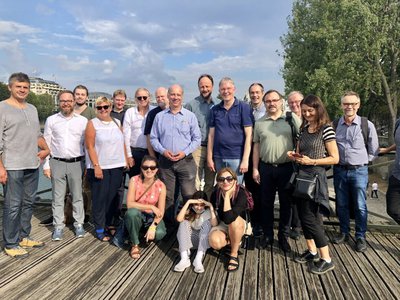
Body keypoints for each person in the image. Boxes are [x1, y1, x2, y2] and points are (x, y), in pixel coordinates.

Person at [287, 94, 339, 275]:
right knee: (303, 216)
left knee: (311, 218)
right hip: (301, 176)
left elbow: (335, 158)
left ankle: (327, 259)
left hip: (315, 178)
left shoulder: (326, 129)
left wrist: (313, 162)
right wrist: (295, 155)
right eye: (304, 111)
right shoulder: (303, 129)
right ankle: (312, 251)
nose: (307, 114)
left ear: (318, 109)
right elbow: (302, 153)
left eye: (310, 110)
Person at [0, 72, 50, 258]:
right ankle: (11, 243)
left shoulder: (32, 109)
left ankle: (23, 236)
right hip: (12, 165)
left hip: (32, 163)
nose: (22, 90)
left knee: (28, 203)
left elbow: (37, 135)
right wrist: (1, 168)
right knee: (13, 205)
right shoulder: (2, 108)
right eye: (18, 86)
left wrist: (47, 149)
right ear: (10, 87)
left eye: (25, 87)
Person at [252, 89, 301, 251]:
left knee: (286, 204)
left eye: (274, 100)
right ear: (265, 103)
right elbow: (256, 147)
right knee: (266, 203)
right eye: (268, 101)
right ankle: (268, 235)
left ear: (281, 101)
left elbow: (303, 137)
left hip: (287, 168)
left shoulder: (291, 118)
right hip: (266, 168)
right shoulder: (260, 123)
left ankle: (283, 237)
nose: (271, 103)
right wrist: (255, 169)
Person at [332, 91, 379, 252]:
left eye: (352, 104)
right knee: (342, 204)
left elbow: (374, 149)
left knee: (360, 205)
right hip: (339, 170)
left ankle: (360, 236)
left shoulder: (367, 125)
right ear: (342, 105)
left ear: (358, 105)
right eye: (346, 104)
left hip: (359, 170)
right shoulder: (335, 124)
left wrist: (364, 161)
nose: (349, 106)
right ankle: (344, 232)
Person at [150, 84, 201, 230]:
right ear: (168, 96)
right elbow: (153, 138)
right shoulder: (160, 117)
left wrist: (184, 152)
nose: (175, 97)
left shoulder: (190, 116)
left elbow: (197, 138)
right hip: (166, 162)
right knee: (167, 196)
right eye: (172, 94)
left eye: (178, 95)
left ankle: (190, 226)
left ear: (182, 96)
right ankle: (169, 228)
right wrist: (163, 151)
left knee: (189, 194)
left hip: (185, 161)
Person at [43, 90, 88, 241]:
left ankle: (79, 224)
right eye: (63, 101)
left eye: (69, 100)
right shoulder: (51, 120)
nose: (66, 103)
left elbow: (87, 146)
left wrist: (88, 165)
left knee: (77, 196)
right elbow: (46, 145)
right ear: (59, 102)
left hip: (77, 163)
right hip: (57, 162)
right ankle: (58, 226)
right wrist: (46, 166)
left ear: (74, 102)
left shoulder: (82, 121)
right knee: (57, 197)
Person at [85, 96, 127, 241]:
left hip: (116, 166)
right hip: (100, 166)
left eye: (106, 107)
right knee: (99, 198)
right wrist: (96, 166)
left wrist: (125, 159)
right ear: (96, 109)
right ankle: (99, 228)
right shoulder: (92, 123)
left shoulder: (117, 122)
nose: (103, 110)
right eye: (99, 107)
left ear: (110, 107)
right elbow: (89, 146)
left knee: (112, 197)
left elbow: (122, 142)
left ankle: (108, 223)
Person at [207, 77, 253, 183]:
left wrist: (245, 160)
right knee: (222, 188)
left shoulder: (244, 107)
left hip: (236, 157)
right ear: (219, 91)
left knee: (236, 189)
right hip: (219, 157)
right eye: (223, 89)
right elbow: (211, 135)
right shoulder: (215, 110)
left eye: (228, 88)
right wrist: (209, 158)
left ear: (234, 89)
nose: (226, 91)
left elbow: (249, 135)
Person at [208, 168, 251, 272]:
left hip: (238, 224)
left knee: (234, 222)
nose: (225, 182)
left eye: (229, 178)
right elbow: (222, 220)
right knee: (215, 242)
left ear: (235, 180)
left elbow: (229, 219)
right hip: (223, 224)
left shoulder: (241, 193)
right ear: (218, 182)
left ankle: (233, 253)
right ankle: (234, 241)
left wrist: (227, 196)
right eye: (221, 179)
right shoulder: (216, 194)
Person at [124, 155, 167, 259]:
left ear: (156, 169)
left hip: (151, 217)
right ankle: (135, 244)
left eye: (152, 168)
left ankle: (139, 232)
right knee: (132, 213)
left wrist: (153, 227)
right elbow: (129, 204)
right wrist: (151, 207)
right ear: (141, 168)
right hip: (137, 214)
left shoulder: (161, 185)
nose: (149, 170)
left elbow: (161, 211)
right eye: (145, 167)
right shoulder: (134, 180)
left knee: (160, 233)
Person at [185, 74, 217, 199]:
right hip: (196, 148)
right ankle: (196, 210)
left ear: (212, 87)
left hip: (214, 148)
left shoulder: (218, 104)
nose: (204, 89)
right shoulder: (191, 105)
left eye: (207, 86)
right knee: (195, 181)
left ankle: (207, 210)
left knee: (210, 182)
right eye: (202, 86)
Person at [174, 191, 218, 273]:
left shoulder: (208, 212)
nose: (199, 207)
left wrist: (211, 206)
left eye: (202, 205)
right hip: (189, 243)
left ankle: (198, 259)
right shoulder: (189, 210)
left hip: (203, 242)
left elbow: (214, 224)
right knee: (183, 222)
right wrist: (188, 202)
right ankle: (184, 258)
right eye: (196, 204)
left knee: (207, 223)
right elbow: (179, 219)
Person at [244, 83, 265, 237]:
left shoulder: (268, 110)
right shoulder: (246, 109)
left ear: (262, 93)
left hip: (264, 155)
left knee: (264, 192)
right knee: (251, 192)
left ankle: (264, 224)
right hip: (250, 155)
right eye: (252, 92)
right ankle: (255, 223)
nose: (255, 95)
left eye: (257, 92)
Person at [124, 88, 155, 178]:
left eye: (144, 97)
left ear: (149, 98)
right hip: (135, 152)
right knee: (134, 181)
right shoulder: (130, 112)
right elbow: (126, 136)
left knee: (150, 181)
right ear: (135, 99)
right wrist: (129, 156)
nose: (142, 100)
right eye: (139, 97)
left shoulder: (154, 112)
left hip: (151, 153)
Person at [109, 89, 128, 228]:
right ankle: (112, 213)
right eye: (118, 99)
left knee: (123, 187)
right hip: (113, 155)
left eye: (122, 100)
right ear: (113, 100)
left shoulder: (129, 114)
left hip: (127, 153)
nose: (120, 102)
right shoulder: (108, 114)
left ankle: (119, 211)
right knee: (115, 186)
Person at [287, 90, 304, 240]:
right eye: (291, 102)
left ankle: (305, 225)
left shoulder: (311, 117)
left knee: (308, 195)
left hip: (308, 163)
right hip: (293, 163)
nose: (294, 105)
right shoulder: (288, 119)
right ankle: (295, 226)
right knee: (293, 195)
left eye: (297, 101)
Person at [380, 120, 400, 224]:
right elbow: (398, 143)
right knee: (392, 210)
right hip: (397, 175)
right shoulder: (398, 122)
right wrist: (387, 150)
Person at [144, 87, 169, 158]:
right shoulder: (152, 114)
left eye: (162, 96)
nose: (160, 99)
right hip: (158, 154)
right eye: (157, 97)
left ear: (168, 96)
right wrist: (153, 157)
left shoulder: (175, 111)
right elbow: (148, 137)